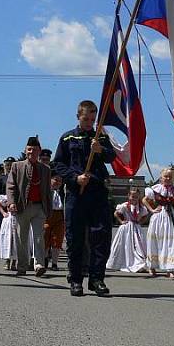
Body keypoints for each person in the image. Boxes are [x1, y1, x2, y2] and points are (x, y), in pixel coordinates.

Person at [52, 100, 116, 297]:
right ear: (78, 116)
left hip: (97, 193)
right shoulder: (67, 137)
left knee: (101, 237)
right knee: (75, 238)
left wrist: (101, 150)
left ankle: (97, 279)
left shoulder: (100, 136)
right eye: (86, 118)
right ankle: (76, 279)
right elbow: (58, 165)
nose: (89, 122)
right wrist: (74, 178)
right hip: (75, 194)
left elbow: (111, 156)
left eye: (92, 118)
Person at [7, 136, 52, 277]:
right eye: (29, 149)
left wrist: (48, 209)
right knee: (22, 237)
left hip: (39, 208)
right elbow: (11, 186)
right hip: (23, 207)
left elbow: (48, 191)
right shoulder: (17, 166)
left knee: (39, 237)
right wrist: (12, 202)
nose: (31, 152)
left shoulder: (45, 169)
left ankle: (39, 265)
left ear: (39, 151)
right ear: (25, 150)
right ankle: (22, 266)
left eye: (34, 149)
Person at [143, 168, 174, 278]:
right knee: (155, 241)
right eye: (165, 176)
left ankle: (170, 269)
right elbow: (144, 200)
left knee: (171, 242)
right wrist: (152, 210)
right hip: (159, 217)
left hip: (171, 218)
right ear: (161, 178)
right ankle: (152, 267)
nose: (167, 178)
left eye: (170, 177)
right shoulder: (155, 189)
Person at [107, 188, 149, 273]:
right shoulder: (125, 205)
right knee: (124, 245)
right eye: (132, 196)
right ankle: (120, 262)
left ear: (139, 197)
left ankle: (139, 263)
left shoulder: (141, 207)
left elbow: (145, 215)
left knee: (138, 246)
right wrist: (121, 221)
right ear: (128, 196)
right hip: (126, 227)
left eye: (136, 197)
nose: (134, 198)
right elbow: (116, 213)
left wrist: (140, 222)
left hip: (136, 228)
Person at [43, 174, 64, 270]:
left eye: (60, 181)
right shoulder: (46, 190)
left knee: (57, 240)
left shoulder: (63, 192)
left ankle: (54, 263)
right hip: (47, 215)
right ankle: (45, 259)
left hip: (59, 216)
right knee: (45, 238)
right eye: (55, 180)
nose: (57, 182)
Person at [0, 193, 16, 270]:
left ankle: (14, 262)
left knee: (16, 241)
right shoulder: (7, 197)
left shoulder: (20, 196)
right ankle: (7, 261)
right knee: (8, 240)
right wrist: (3, 213)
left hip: (17, 219)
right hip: (9, 220)